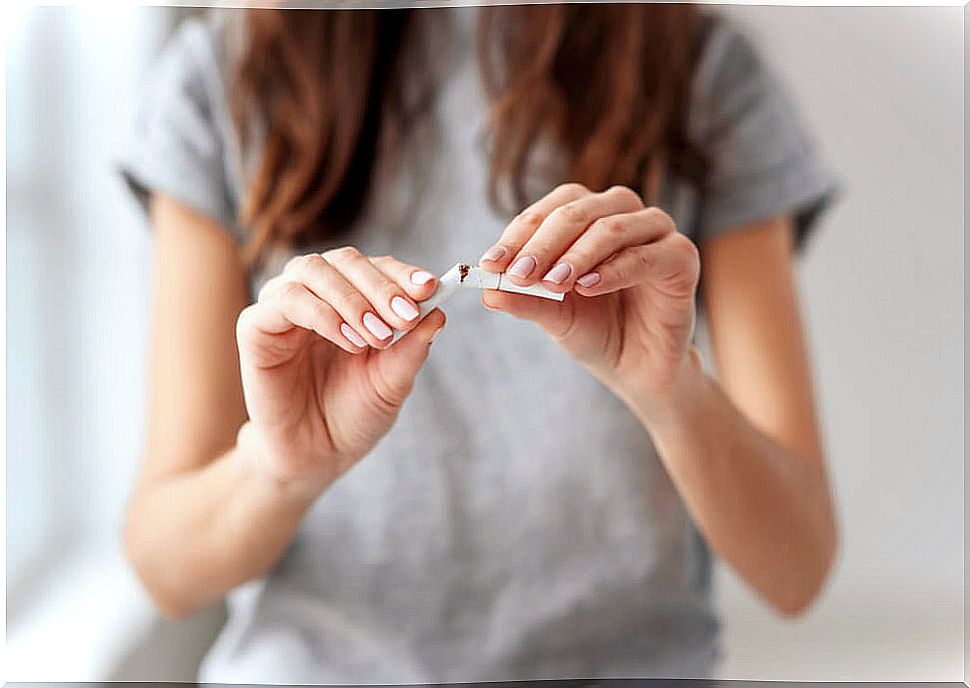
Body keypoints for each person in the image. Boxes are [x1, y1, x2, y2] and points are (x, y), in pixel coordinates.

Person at [120, 4, 839, 683]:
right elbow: (166, 569)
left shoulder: (701, 69)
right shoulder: (225, 73)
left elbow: (798, 565)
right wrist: (280, 470)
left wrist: (672, 393)